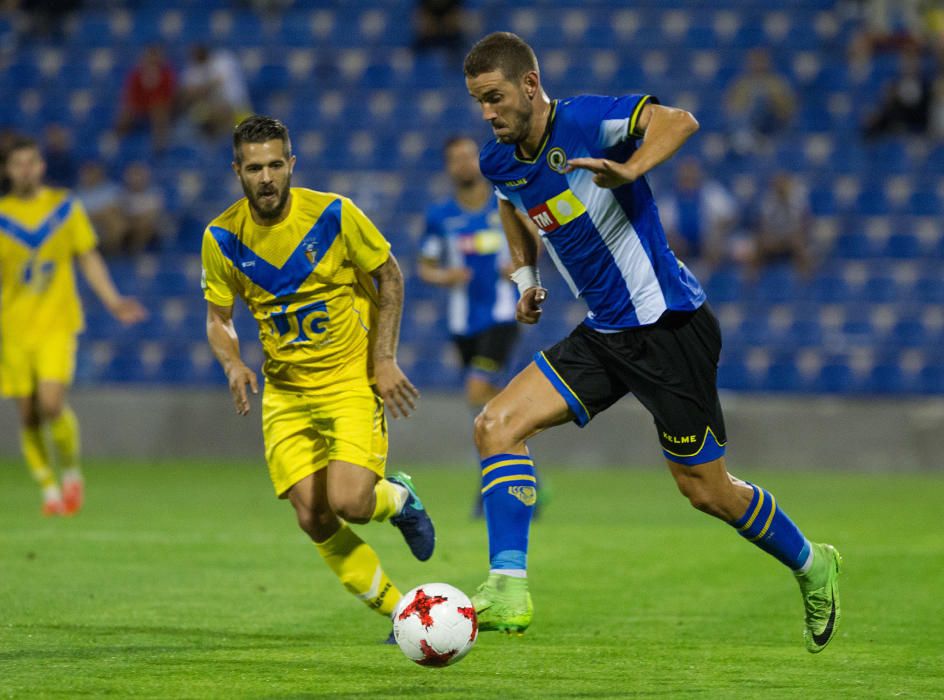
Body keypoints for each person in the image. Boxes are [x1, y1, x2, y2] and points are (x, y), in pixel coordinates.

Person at [461, 32, 842, 653]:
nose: (488, 113)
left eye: (495, 97)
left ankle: (812, 563)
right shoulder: (498, 157)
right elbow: (511, 204)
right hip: (606, 332)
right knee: (495, 425)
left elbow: (678, 120)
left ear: (529, 85)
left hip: (670, 327)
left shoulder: (584, 121)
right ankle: (508, 588)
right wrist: (526, 276)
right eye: (478, 101)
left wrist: (631, 168)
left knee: (707, 491)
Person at [201, 116, 434, 635]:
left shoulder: (333, 214)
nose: (266, 178)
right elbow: (219, 318)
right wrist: (232, 361)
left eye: (276, 165)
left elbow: (389, 275)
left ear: (292, 165)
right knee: (313, 516)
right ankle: (401, 614)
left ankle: (399, 498)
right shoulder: (221, 237)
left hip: (349, 379)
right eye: (254, 167)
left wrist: (384, 358)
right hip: (285, 392)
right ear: (237, 171)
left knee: (350, 501)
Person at [0, 136, 147, 515]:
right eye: (18, 164)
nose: (26, 170)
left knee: (51, 404)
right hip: (14, 328)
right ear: (7, 170)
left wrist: (113, 299)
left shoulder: (64, 208)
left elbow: (88, 256)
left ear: (41, 166)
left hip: (56, 322)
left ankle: (69, 473)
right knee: (28, 413)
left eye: (32, 162)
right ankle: (49, 491)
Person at [417, 135, 520, 514]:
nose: (462, 164)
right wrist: (447, 276)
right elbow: (425, 267)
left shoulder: (504, 203)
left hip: (501, 316)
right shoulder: (440, 216)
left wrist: (520, 264)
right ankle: (525, 474)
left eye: (467, 156)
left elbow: (536, 238)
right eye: (454, 158)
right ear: (448, 167)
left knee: (477, 392)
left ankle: (495, 482)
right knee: (487, 408)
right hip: (463, 323)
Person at [658, 156, 738, 273]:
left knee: (718, 245)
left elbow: (730, 216)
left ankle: (713, 280)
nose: (689, 180)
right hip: (681, 245)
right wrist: (673, 237)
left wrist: (717, 231)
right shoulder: (669, 200)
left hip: (708, 241)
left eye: (692, 176)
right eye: (685, 177)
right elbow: (661, 227)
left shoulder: (711, 192)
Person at [750, 170, 814, 277]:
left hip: (791, 237)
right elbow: (762, 225)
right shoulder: (767, 202)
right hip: (773, 237)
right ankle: (751, 284)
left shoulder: (798, 201)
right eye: (778, 185)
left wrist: (792, 236)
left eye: (784, 185)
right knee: (759, 246)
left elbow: (804, 224)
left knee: (800, 244)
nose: (781, 188)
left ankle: (805, 282)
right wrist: (770, 237)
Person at [115, 45, 177, 152]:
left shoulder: (166, 73)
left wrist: (159, 102)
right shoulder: (137, 73)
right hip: (140, 104)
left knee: (159, 112)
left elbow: (170, 92)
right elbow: (131, 91)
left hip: (158, 105)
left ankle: (159, 146)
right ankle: (116, 142)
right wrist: (135, 104)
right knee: (125, 113)